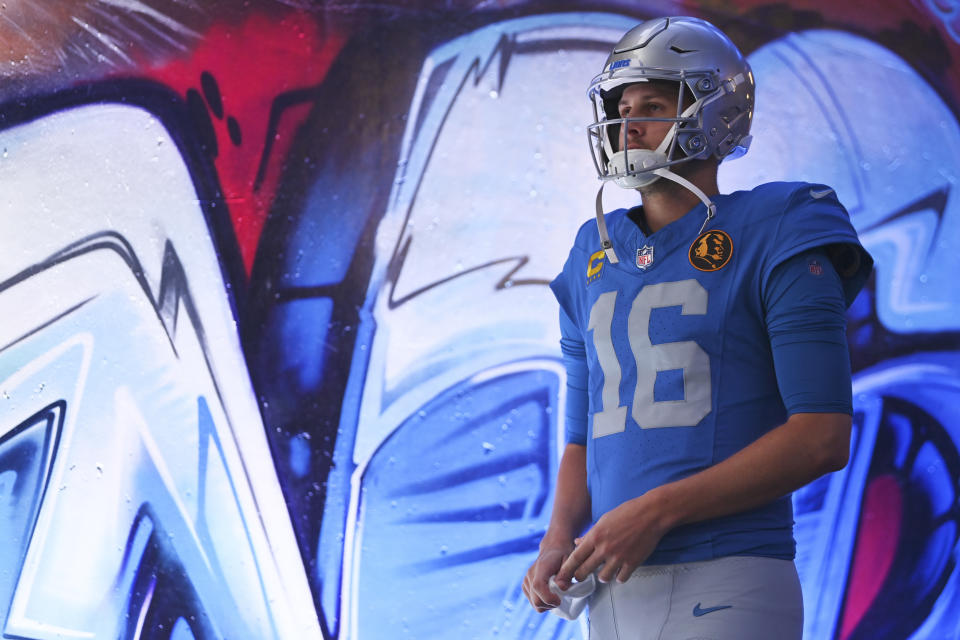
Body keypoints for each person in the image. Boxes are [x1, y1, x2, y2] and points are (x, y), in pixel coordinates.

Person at [520, 16, 873, 640]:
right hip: (610, 585)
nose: (627, 124)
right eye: (621, 106)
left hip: (728, 575)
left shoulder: (780, 223)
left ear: (713, 110)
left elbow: (822, 434)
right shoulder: (592, 252)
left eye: (651, 105)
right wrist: (557, 537)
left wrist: (656, 511)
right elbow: (583, 435)